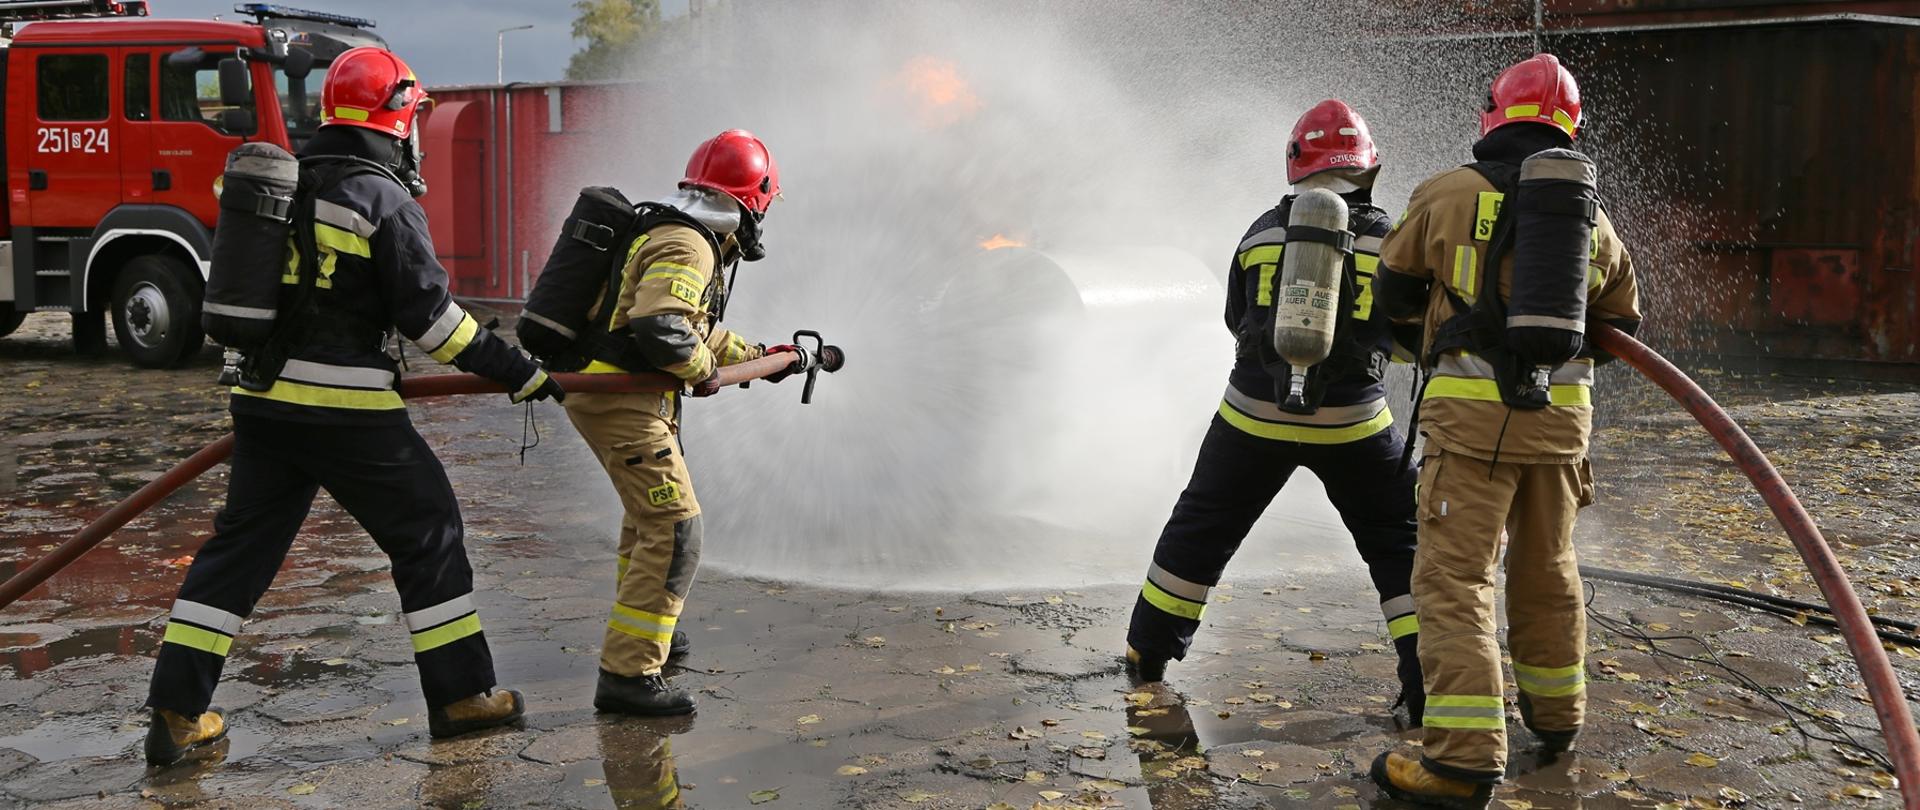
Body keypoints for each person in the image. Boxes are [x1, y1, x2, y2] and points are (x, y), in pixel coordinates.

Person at [143, 47, 561, 766]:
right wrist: (516, 368)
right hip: (346, 410)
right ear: (397, 116)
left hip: (263, 405)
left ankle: (177, 717)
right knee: (429, 531)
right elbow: (434, 324)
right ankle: (463, 698)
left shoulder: (287, 182)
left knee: (236, 557)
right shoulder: (382, 199)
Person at [1366, 54, 1642, 809]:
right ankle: (1558, 719)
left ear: (1495, 113)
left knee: (1454, 581)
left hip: (1473, 423)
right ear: (1570, 128)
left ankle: (1459, 761)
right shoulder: (1591, 215)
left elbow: (1389, 292)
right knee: (1548, 567)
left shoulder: (1449, 193)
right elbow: (1621, 322)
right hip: (1563, 428)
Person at [1124, 100, 1424, 723]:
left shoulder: (1259, 231)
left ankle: (1146, 654)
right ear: (1368, 170)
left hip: (1251, 415)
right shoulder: (1391, 238)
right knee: (1399, 543)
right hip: (1354, 423)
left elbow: (1236, 318)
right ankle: (1425, 685)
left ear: (1295, 167)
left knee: (1201, 526)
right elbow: (1407, 335)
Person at [562, 130, 796, 716]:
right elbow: (663, 329)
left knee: (646, 523)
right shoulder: (689, 245)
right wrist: (703, 370)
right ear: (752, 201)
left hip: (619, 394)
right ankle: (628, 676)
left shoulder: (675, 232)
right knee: (675, 529)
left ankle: (647, 636)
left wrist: (757, 356)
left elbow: (691, 324)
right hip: (621, 397)